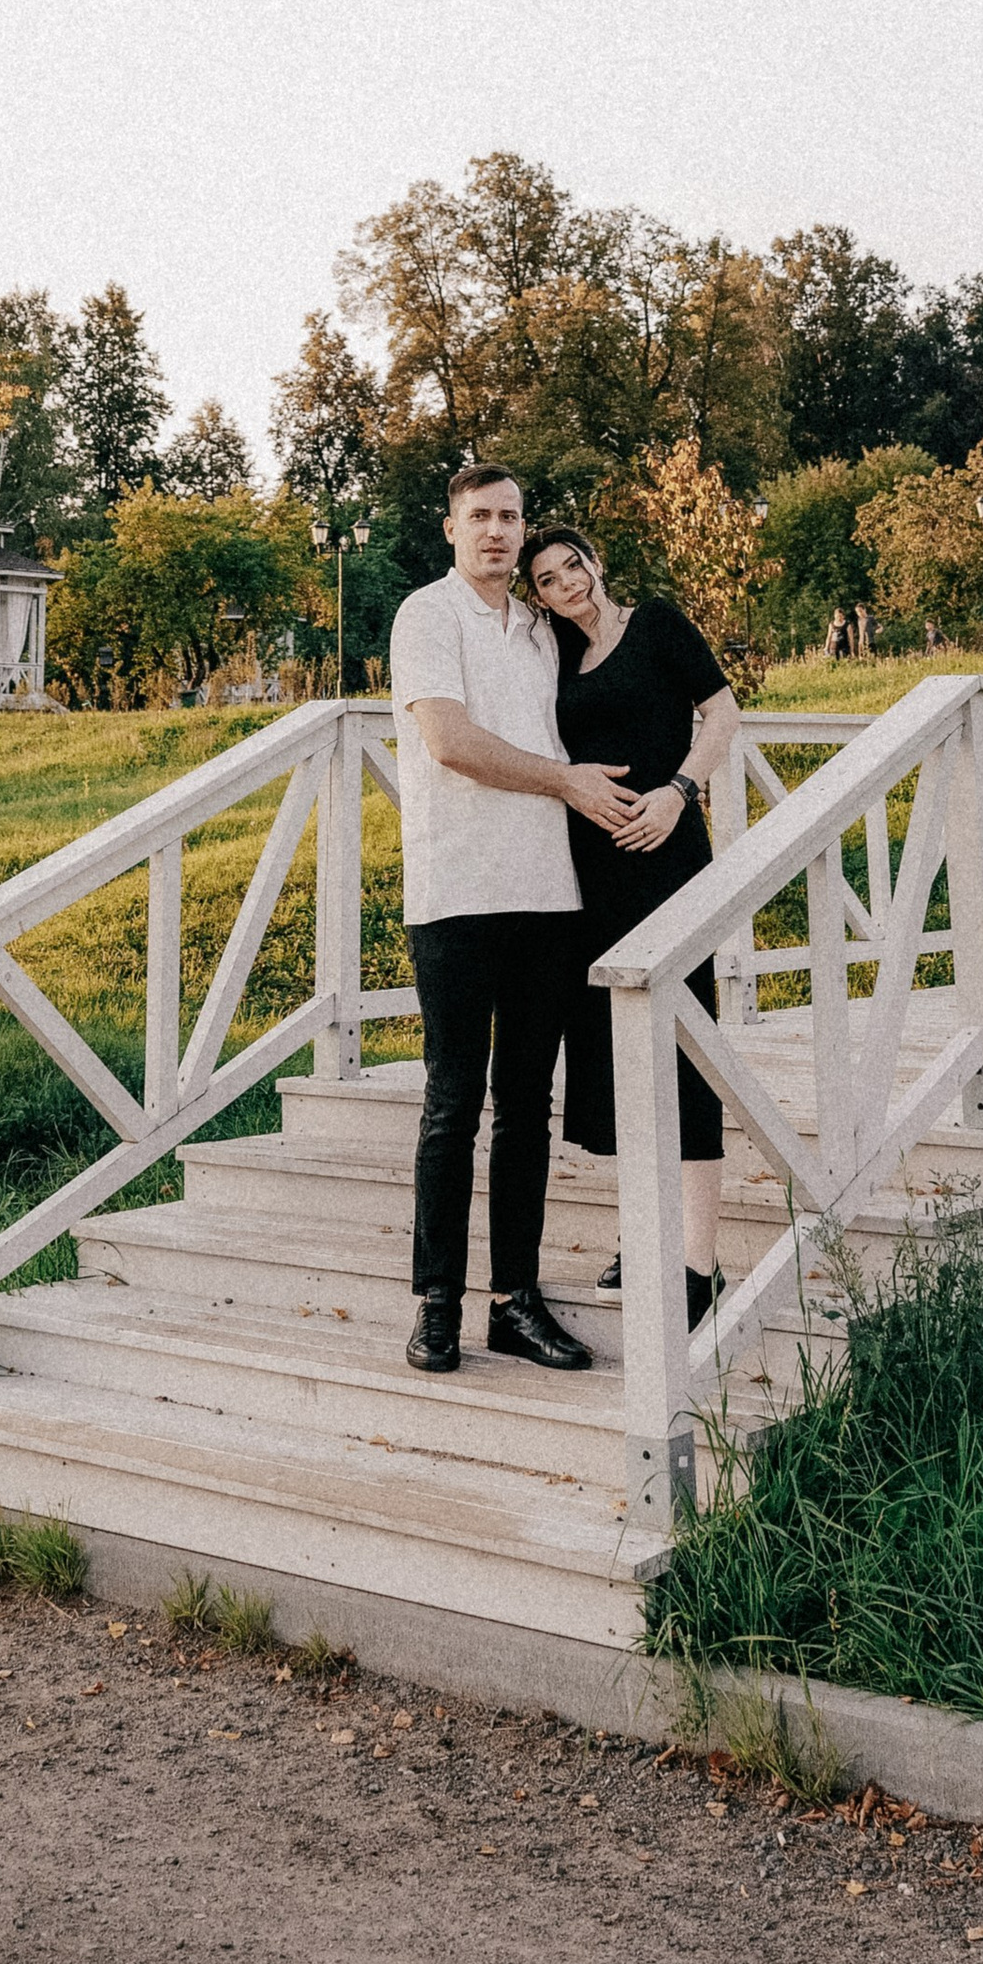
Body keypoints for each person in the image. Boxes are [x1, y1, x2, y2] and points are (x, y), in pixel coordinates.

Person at [388, 462, 642, 1376]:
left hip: (550, 895)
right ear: (452, 527)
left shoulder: (541, 628)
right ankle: (437, 1306)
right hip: (457, 892)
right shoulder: (426, 615)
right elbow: (450, 742)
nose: (497, 531)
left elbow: (615, 679)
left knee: (527, 1108)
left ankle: (515, 1304)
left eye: (511, 517)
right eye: (481, 516)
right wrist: (564, 781)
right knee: (453, 1103)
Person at [520, 526, 739, 1332]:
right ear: (540, 598)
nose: (566, 584)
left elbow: (722, 713)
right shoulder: (554, 658)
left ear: (595, 561)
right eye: (547, 580)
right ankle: (646, 1239)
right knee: (617, 1055)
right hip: (592, 875)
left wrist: (679, 791)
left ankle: (699, 1262)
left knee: (682, 1047)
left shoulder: (657, 624)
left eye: (572, 565)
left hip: (667, 856)